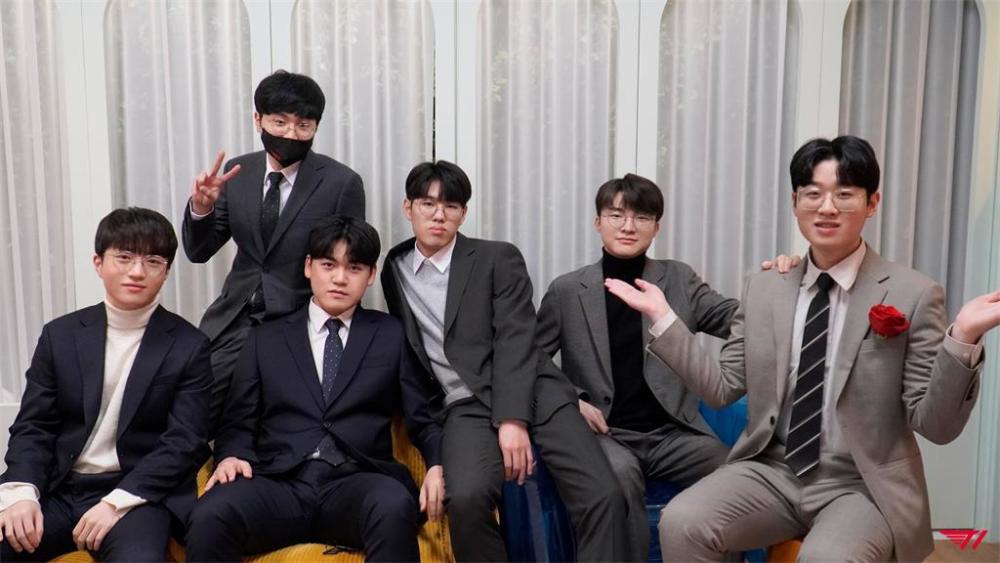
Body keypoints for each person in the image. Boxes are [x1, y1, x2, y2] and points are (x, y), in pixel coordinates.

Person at [606, 135, 997, 561]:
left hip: (861, 484)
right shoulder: (765, 288)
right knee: (682, 521)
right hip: (773, 471)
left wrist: (963, 338)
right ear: (795, 202)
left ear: (872, 203)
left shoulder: (914, 293)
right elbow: (722, 387)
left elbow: (936, 426)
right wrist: (664, 317)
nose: (827, 208)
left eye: (844, 194)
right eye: (813, 193)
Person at [381, 160, 628, 562]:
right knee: (466, 500)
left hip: (534, 392)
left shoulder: (497, 258)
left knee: (604, 495)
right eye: (428, 204)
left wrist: (512, 419)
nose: (439, 215)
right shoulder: (394, 268)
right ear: (408, 208)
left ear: (464, 213)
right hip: (464, 407)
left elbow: (516, 339)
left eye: (451, 206)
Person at [185, 216, 443, 562]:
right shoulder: (266, 338)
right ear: (309, 267)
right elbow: (237, 421)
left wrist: (437, 464)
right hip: (279, 484)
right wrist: (231, 455)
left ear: (370, 275)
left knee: (393, 505)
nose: (340, 278)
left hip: (357, 483)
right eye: (328, 265)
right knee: (211, 514)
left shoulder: (389, 335)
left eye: (354, 268)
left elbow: (422, 417)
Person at [536, 173, 735, 561]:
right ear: (598, 222)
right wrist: (571, 400)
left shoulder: (678, 279)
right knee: (619, 479)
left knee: (731, 471)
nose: (628, 226)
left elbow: (735, 319)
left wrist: (786, 280)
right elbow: (533, 360)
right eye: (616, 215)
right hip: (606, 433)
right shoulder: (567, 290)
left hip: (672, 433)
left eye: (642, 217)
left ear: (656, 227)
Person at [0, 208, 212, 562]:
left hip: (136, 495)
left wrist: (117, 502)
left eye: (153, 261)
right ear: (98, 263)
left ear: (166, 272)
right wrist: (22, 492)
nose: (137, 271)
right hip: (58, 487)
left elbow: (184, 442)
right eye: (124, 257)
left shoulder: (190, 346)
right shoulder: (61, 336)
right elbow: (34, 426)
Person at [182, 70, 365, 430]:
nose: (290, 134)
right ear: (258, 119)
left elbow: (350, 262)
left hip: (299, 320)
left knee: (278, 422)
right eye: (279, 122)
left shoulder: (341, 183)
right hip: (236, 319)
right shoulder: (238, 172)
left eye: (303, 125)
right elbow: (198, 251)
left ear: (316, 127)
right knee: (194, 413)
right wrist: (202, 208)